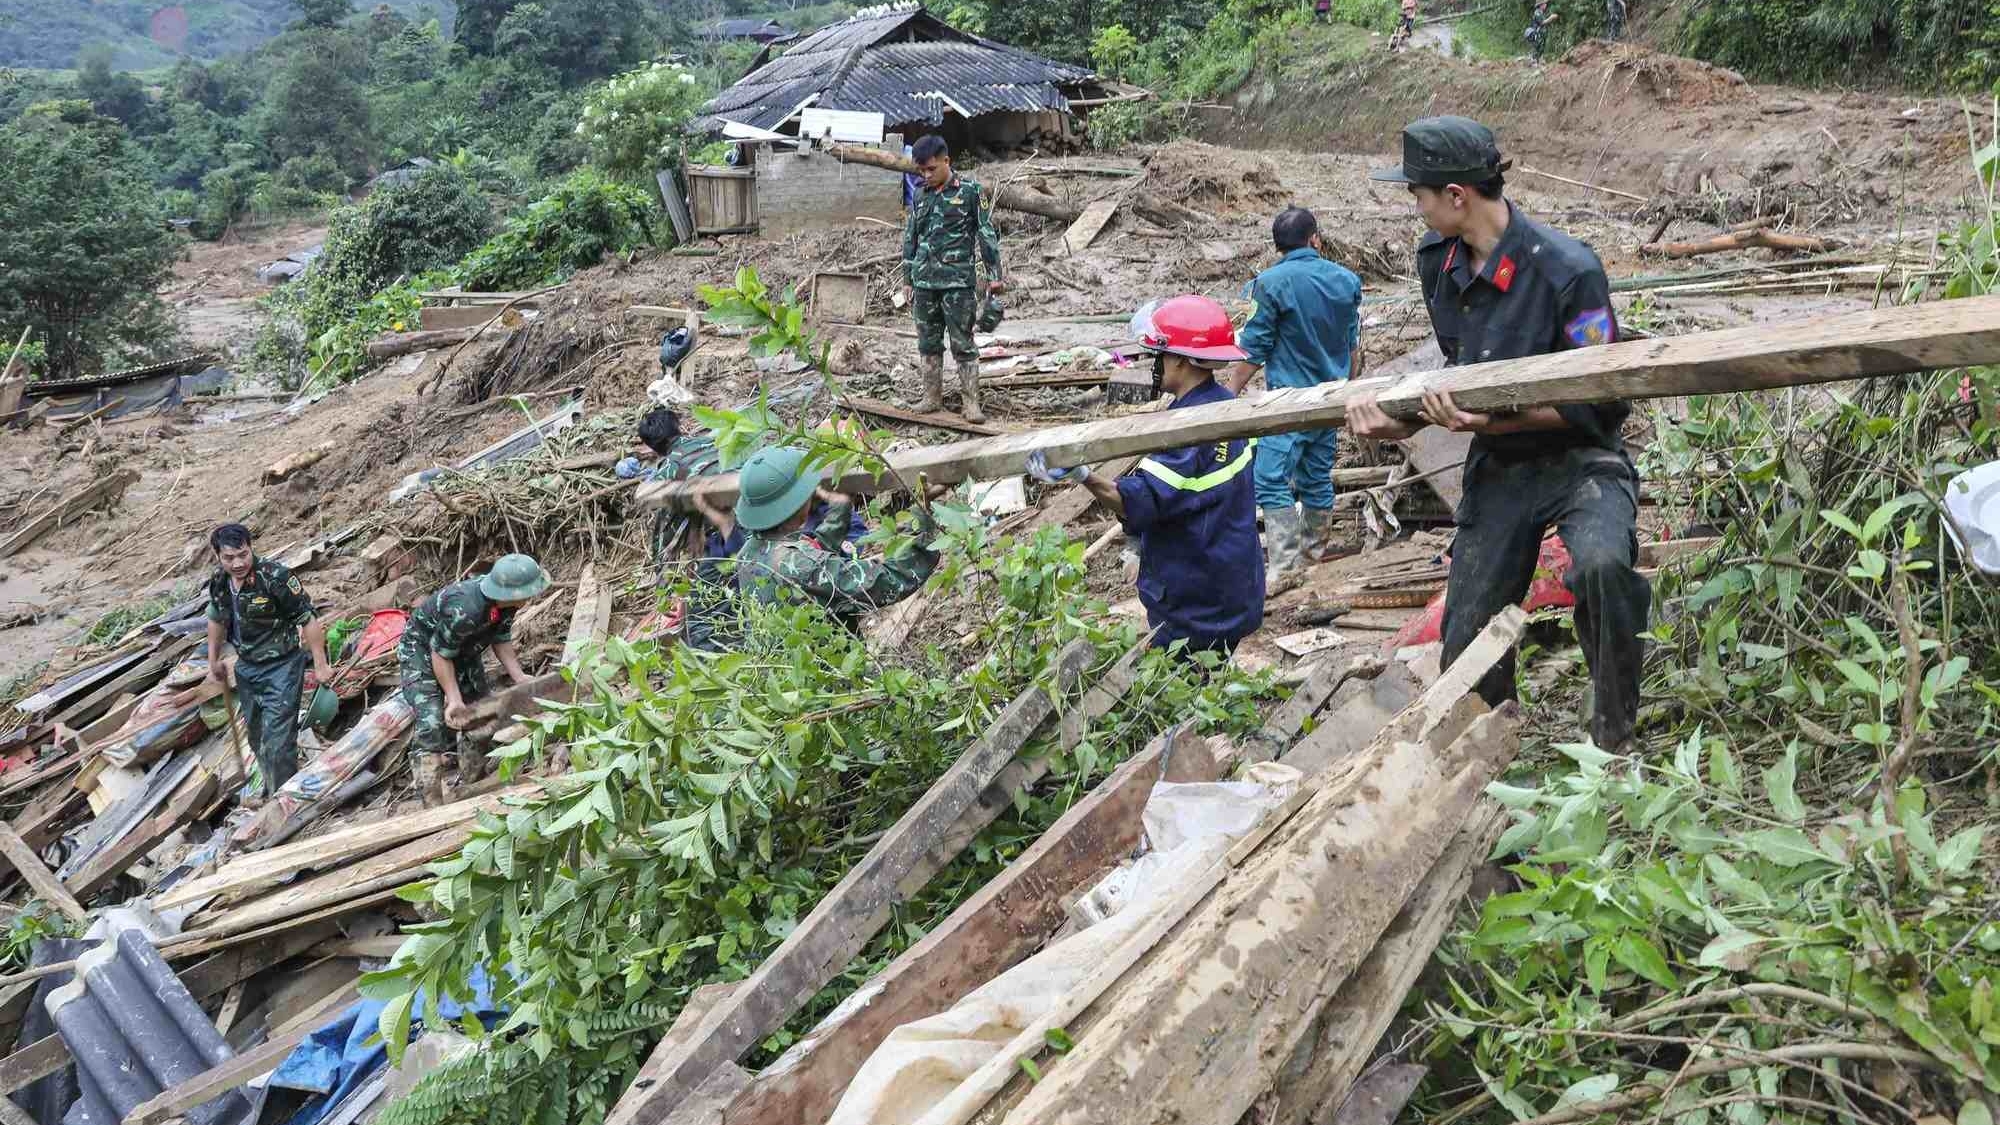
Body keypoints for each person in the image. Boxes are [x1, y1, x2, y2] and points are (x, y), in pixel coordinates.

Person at [1351, 115, 1648, 750]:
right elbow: (1458, 376)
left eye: (1418, 194)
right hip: (1502, 465)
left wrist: (1487, 420)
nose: (1416, 206)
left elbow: (1601, 400)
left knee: (1603, 568)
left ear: (1456, 196)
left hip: (1579, 456)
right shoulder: (1437, 261)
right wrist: (1396, 421)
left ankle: (1614, 740)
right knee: (1466, 632)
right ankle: (1487, 750)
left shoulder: (1570, 272)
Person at [1027, 296, 1263, 660]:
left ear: (1181, 360)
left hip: (1195, 602)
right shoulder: (1228, 408)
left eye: (1158, 356)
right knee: (1215, 672)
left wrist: (1083, 474)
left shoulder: (1188, 433)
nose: (1154, 365)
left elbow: (1139, 500)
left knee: (1188, 680)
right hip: (1233, 585)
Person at [1222, 206, 1363, 589]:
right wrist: (1349, 389)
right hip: (1330, 399)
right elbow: (1352, 344)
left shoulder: (1270, 283)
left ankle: (1284, 568)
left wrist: (1228, 394)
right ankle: (1311, 559)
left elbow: (1255, 347)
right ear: (1314, 238)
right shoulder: (1346, 280)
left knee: (1269, 479)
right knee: (1315, 478)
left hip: (1288, 404)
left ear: (1277, 246)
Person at [701, 446, 939, 632]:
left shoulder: (750, 552)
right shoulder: (804, 566)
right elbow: (890, 581)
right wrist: (923, 516)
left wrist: (840, 510)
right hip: (830, 677)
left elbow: (810, 552)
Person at [397, 553, 548, 806]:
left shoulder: (508, 604)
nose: (532, 596)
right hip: (421, 651)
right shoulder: (466, 608)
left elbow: (500, 638)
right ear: (510, 592)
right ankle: (431, 803)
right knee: (431, 721)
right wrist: (454, 699)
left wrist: (519, 676)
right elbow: (440, 654)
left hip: (463, 650)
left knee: (481, 712)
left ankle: (473, 783)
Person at [203, 524, 333, 802]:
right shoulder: (220, 581)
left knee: (278, 741)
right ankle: (273, 787)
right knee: (257, 737)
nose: (238, 563)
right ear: (217, 556)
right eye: (229, 558)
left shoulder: (276, 578)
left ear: (251, 548)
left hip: (282, 667)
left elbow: (308, 619)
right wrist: (213, 660)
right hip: (246, 667)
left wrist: (321, 665)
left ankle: (285, 801)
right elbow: (216, 618)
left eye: (243, 554)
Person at [902, 134, 1005, 423]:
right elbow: (911, 237)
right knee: (928, 343)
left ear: (946, 161)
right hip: (924, 283)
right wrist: (907, 279)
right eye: (921, 170)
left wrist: (994, 276)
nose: (926, 175)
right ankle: (931, 398)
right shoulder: (920, 195)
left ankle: (971, 404)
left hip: (957, 284)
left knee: (963, 344)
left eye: (931, 169)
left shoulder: (970, 191)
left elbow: (986, 234)